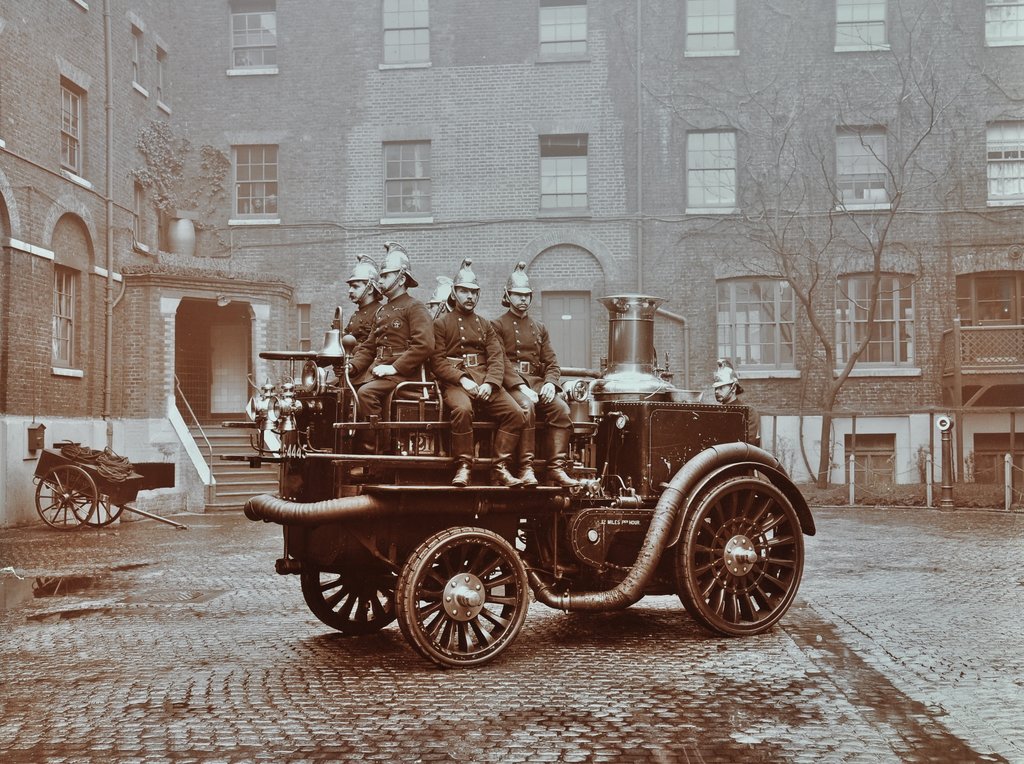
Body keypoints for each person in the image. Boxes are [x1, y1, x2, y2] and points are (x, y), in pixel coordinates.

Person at [431, 258, 525, 488]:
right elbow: (437, 361)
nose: (469, 296)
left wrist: (491, 384)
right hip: (456, 383)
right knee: (462, 410)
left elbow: (496, 358)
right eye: (464, 291)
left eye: (473, 292)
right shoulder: (441, 324)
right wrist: (462, 379)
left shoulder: (485, 325)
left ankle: (500, 466)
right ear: (454, 293)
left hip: (485, 382)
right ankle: (463, 465)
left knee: (515, 413)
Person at [492, 261, 579, 488]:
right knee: (526, 407)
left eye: (526, 295)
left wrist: (551, 384)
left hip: (537, 382)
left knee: (561, 409)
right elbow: (499, 361)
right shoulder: (497, 325)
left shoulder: (539, 328)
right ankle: (526, 468)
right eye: (518, 295)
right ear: (508, 296)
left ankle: (556, 469)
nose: (523, 300)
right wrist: (521, 388)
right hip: (511, 384)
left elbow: (552, 362)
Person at [346, 242, 434, 453]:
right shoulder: (383, 310)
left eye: (385, 276)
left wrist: (394, 368)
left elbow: (424, 345)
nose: (380, 280)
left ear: (401, 279)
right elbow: (368, 346)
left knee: (366, 394)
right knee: (346, 392)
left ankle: (379, 453)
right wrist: (353, 366)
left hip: (405, 374)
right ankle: (354, 450)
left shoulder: (415, 307)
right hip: (379, 370)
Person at [342, 253, 383, 386]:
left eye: (355, 286)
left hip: (368, 373)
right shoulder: (356, 315)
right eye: (350, 286)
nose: (350, 290)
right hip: (351, 368)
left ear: (370, 288)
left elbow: (372, 348)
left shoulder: (380, 312)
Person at [713, 358, 760, 446]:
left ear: (733, 388)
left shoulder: (748, 412)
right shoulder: (716, 412)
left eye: (721, 388)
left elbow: (748, 443)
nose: (716, 391)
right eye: (716, 388)